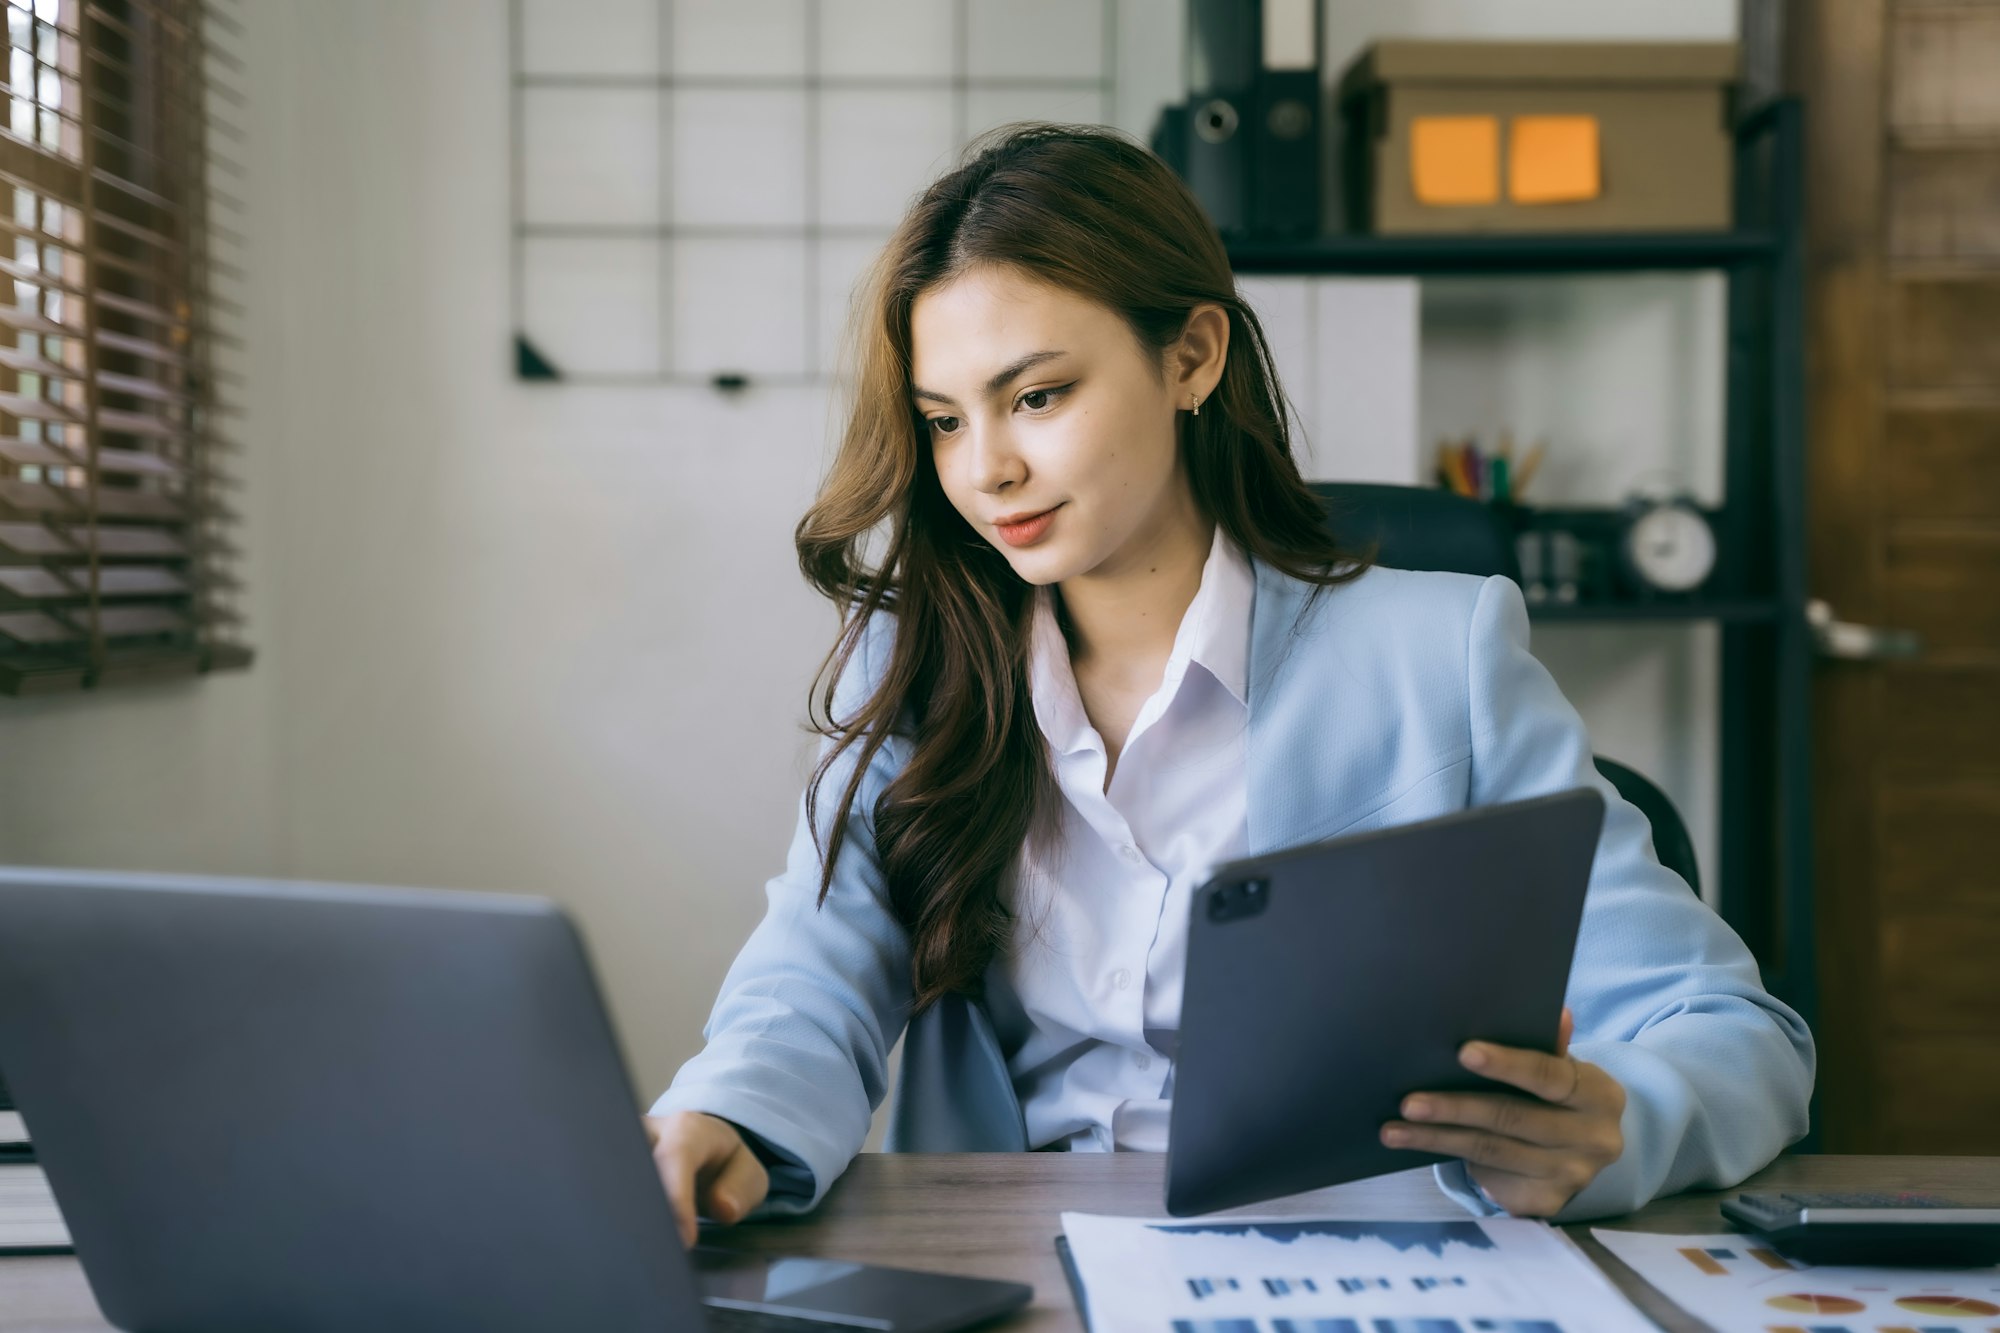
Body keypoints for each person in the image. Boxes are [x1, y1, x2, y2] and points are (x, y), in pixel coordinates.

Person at [643, 123, 1814, 1248]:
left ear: (1191, 356)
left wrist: (1619, 1124)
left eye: (1037, 395)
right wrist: (726, 1116)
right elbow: (812, 968)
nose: (986, 468)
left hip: (1353, 1267)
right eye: (944, 420)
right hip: (1010, 1261)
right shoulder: (918, 667)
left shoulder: (1436, 656)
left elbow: (1733, 1035)